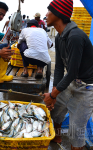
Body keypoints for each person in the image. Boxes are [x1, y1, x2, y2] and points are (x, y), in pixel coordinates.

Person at [43, 0, 93, 150]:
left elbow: (71, 72)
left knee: (76, 130)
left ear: (58, 14)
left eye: (49, 11)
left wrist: (52, 95)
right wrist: (54, 95)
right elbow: (59, 68)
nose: (46, 15)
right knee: (56, 111)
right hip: (72, 82)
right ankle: (57, 136)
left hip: (87, 88)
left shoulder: (75, 36)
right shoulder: (59, 37)